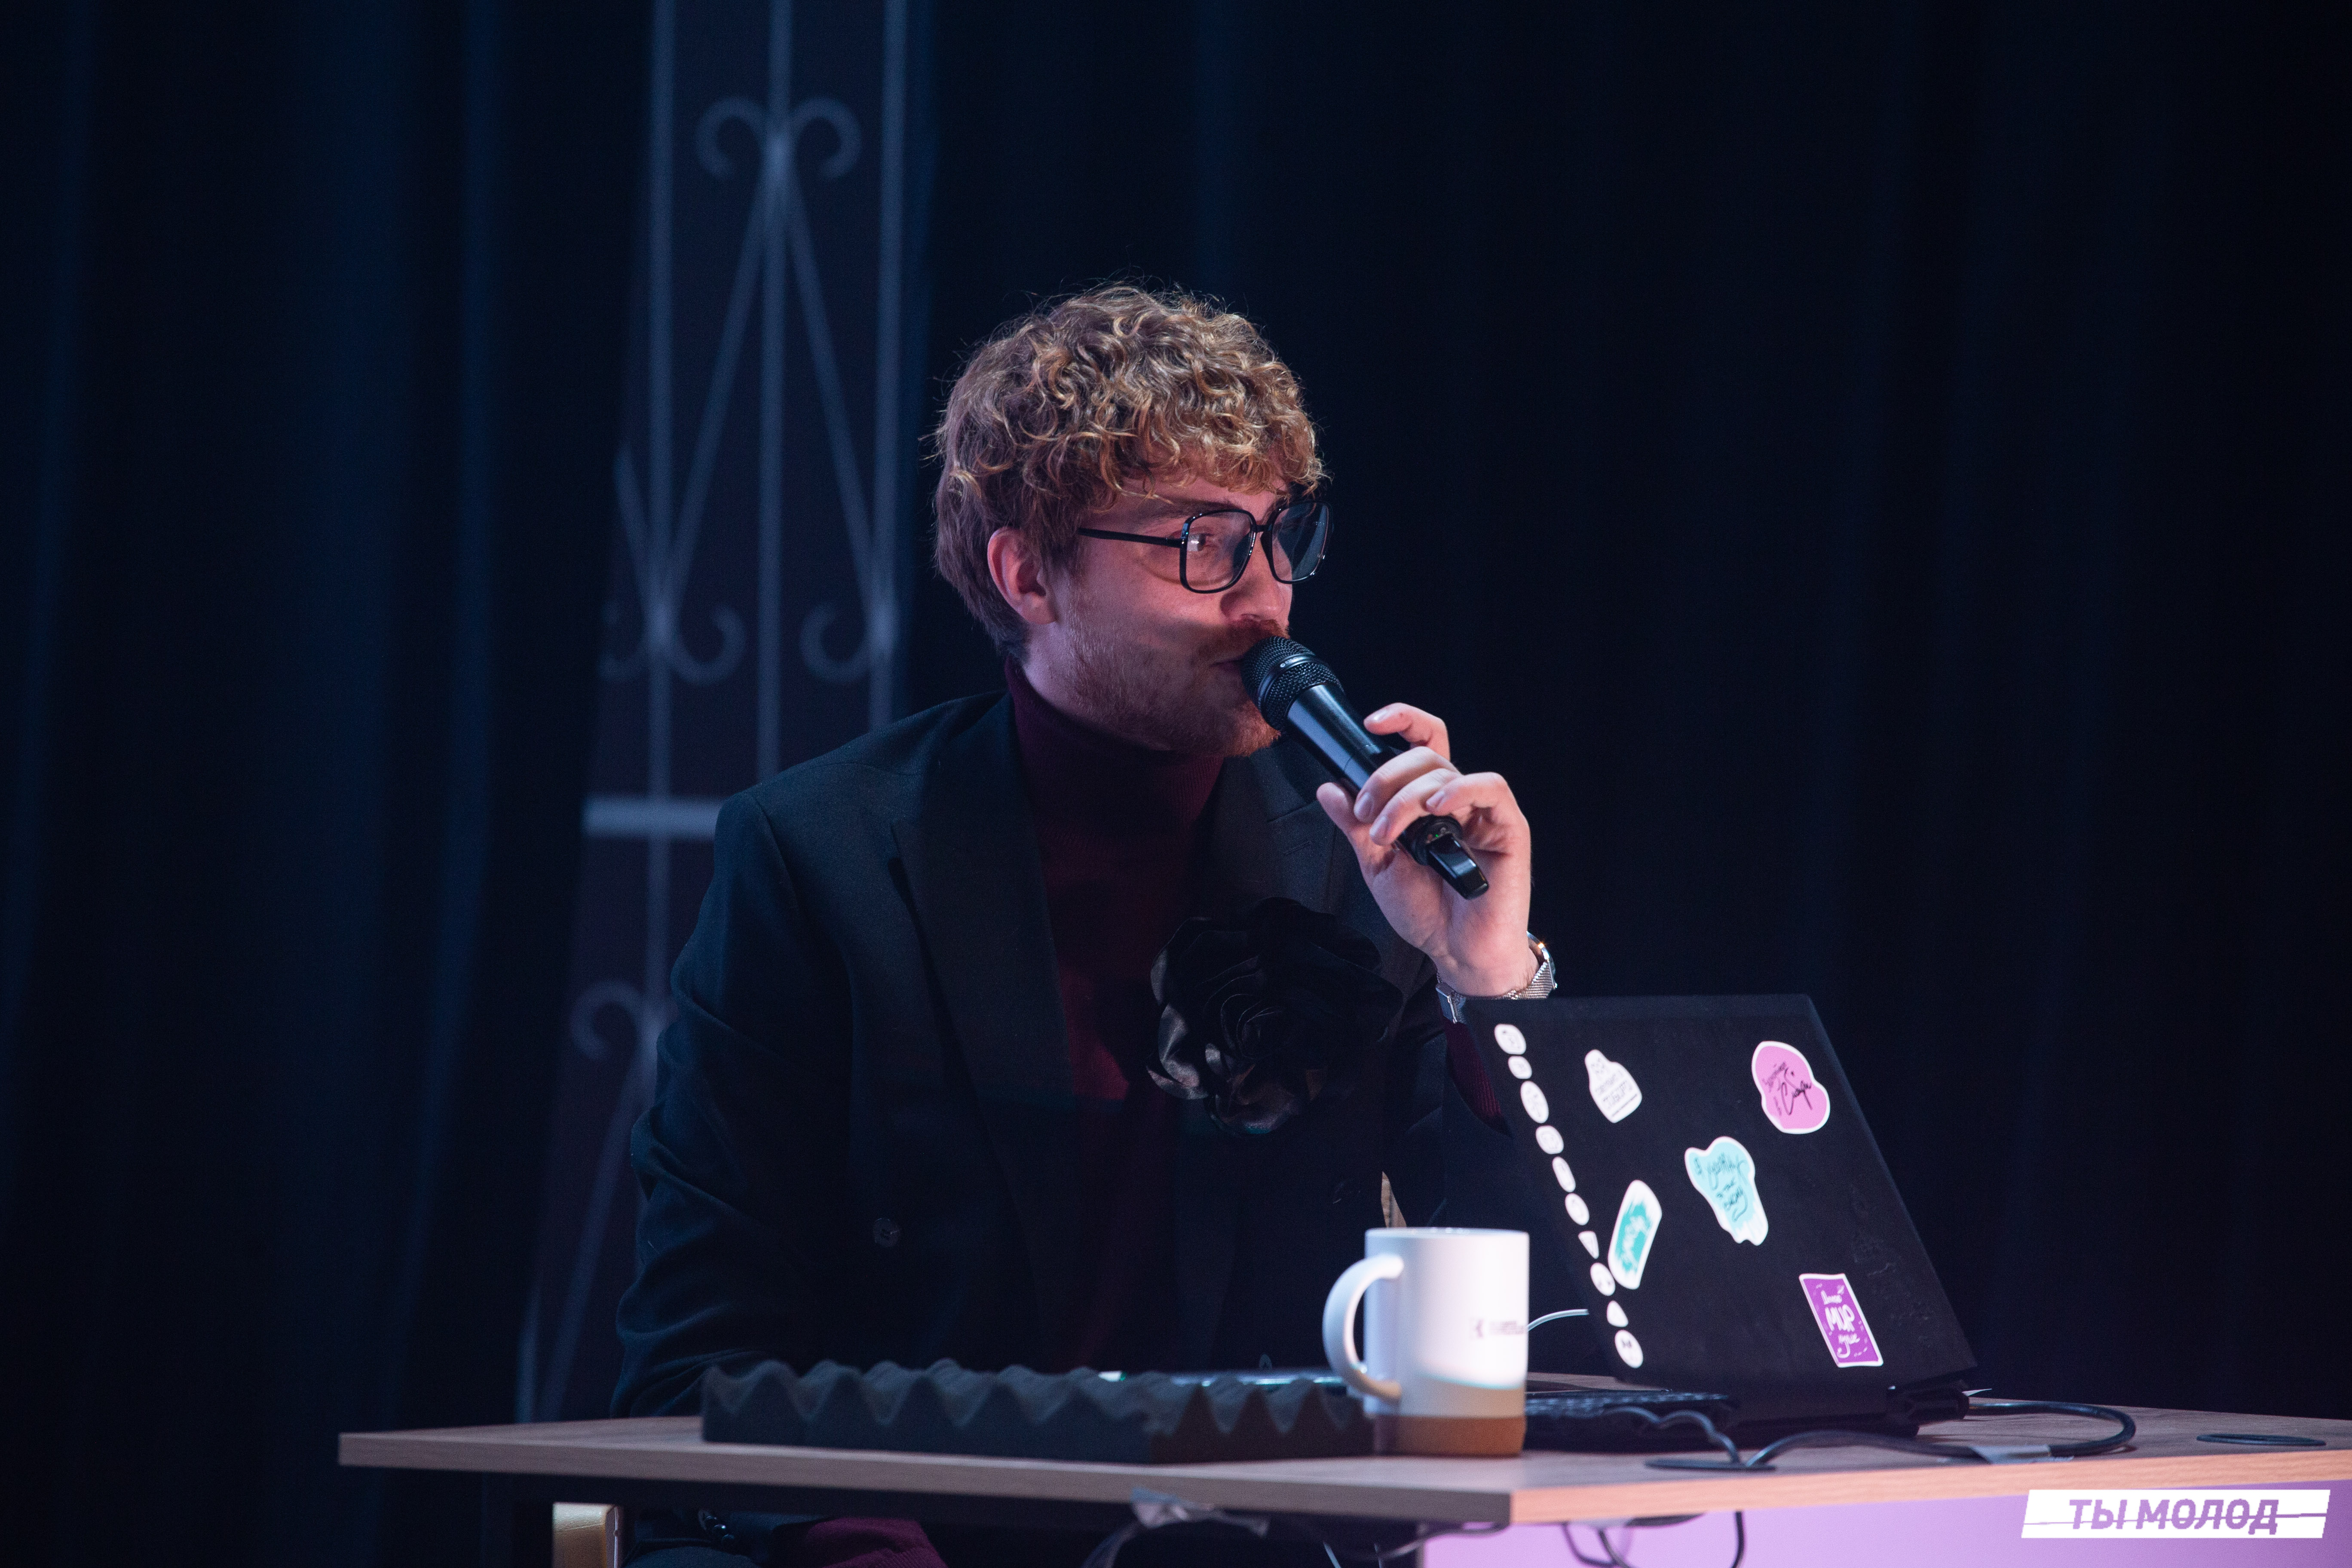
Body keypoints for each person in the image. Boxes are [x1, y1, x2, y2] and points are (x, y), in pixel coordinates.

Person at [613, 285, 1565, 1568]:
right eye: (1201, 543)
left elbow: (1545, 1330)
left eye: (1279, 537)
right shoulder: (820, 856)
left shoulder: (1356, 862)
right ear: (1028, 575)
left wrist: (1483, 975)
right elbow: (696, 1355)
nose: (1265, 598)